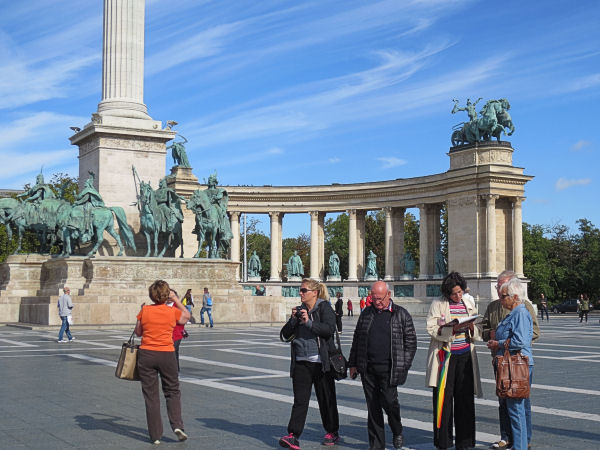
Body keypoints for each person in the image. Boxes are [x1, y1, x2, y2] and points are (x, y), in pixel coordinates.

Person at [348, 281, 417, 450]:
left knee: (390, 402)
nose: (376, 301)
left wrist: (404, 364)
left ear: (389, 295)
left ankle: (397, 429)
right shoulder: (366, 313)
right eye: (374, 298)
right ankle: (376, 445)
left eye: (379, 298)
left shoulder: (401, 314)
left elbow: (411, 342)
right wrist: (353, 363)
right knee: (373, 407)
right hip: (368, 368)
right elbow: (358, 338)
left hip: (390, 369)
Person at [279, 278, 340, 449]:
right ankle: (293, 435)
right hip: (301, 361)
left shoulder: (325, 307)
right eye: (300, 290)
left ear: (315, 292)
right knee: (300, 400)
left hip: (321, 362)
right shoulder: (300, 310)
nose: (300, 293)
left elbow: (329, 329)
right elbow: (285, 335)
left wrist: (309, 323)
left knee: (326, 399)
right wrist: (293, 320)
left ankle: (332, 431)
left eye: (304, 290)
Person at [425, 272, 483, 450]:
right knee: (444, 400)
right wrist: (452, 329)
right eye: (454, 293)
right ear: (447, 293)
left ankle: (465, 441)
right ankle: (443, 441)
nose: (458, 296)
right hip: (445, 358)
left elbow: (479, 327)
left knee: (465, 400)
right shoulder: (438, 303)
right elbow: (431, 327)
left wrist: (472, 327)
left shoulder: (468, 302)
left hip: (465, 356)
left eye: (460, 292)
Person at [482, 270, 539, 450]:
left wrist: (498, 343)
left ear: (514, 296)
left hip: (515, 366)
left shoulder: (520, 312)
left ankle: (521, 445)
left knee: (516, 410)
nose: (501, 298)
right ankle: (517, 444)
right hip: (510, 364)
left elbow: (520, 341)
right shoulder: (512, 312)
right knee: (515, 409)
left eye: (503, 295)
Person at [134, 280, 190, 444]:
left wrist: (140, 315)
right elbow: (186, 317)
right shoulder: (171, 311)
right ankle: (177, 425)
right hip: (166, 354)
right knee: (172, 390)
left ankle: (156, 435)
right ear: (167, 295)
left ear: (151, 295)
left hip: (147, 355)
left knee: (151, 396)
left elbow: (138, 332)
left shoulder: (144, 310)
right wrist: (176, 300)